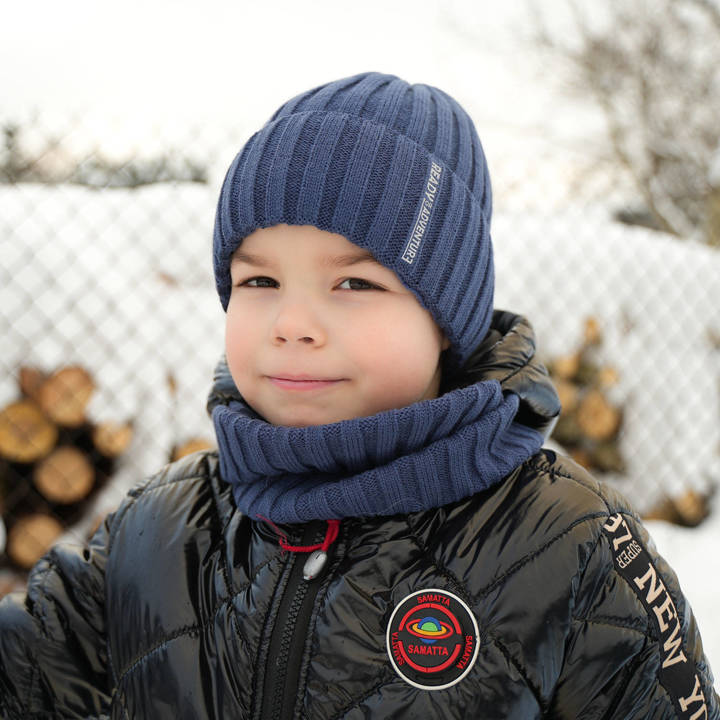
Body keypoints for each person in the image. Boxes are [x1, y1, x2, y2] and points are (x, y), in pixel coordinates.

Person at [0, 71, 717, 719]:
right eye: (259, 281)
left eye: (354, 284)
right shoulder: (159, 530)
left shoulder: (566, 542)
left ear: (446, 322)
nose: (293, 324)